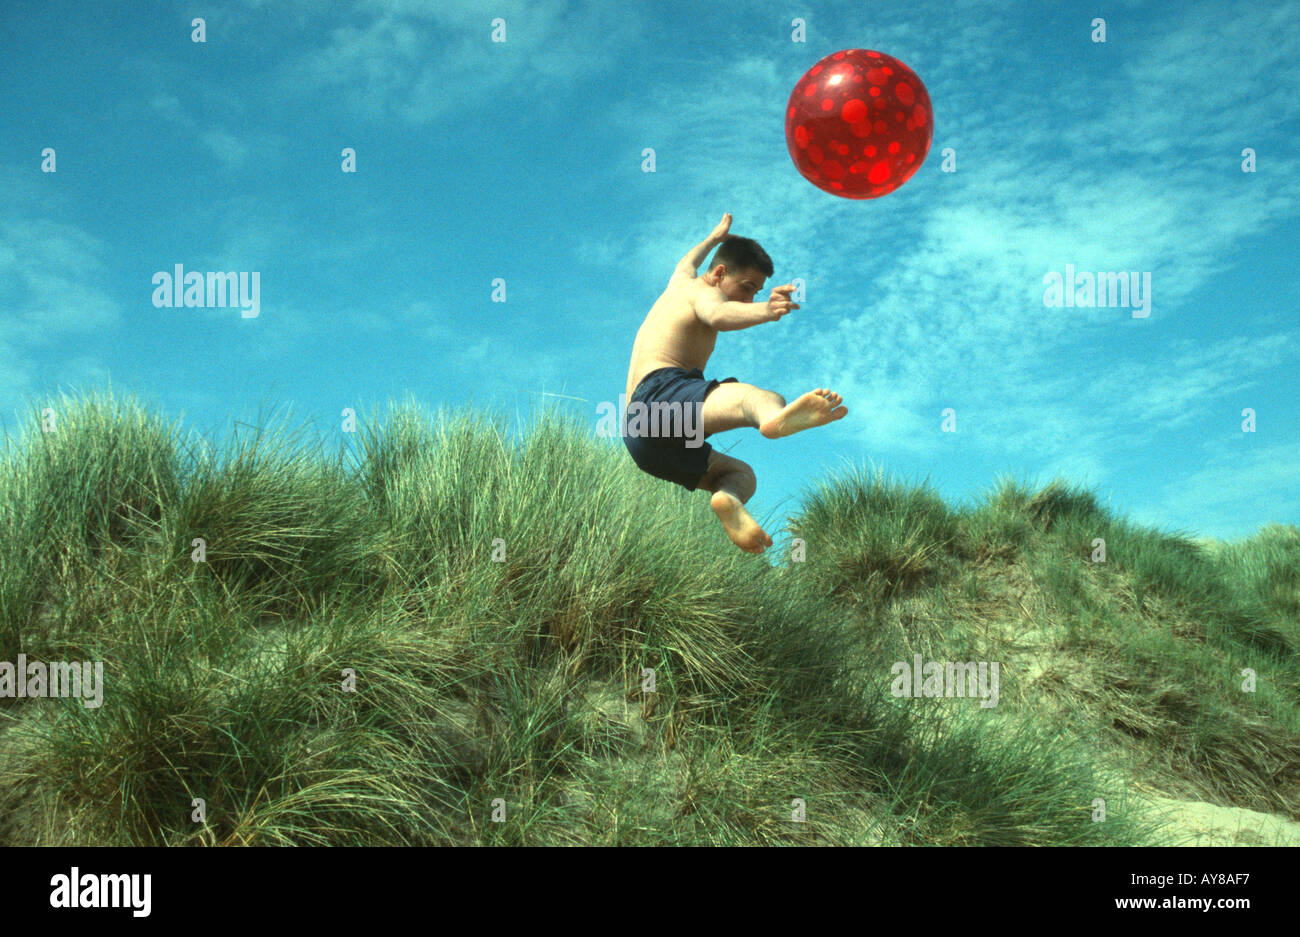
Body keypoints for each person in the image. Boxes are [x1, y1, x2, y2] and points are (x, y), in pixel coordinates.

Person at [621, 213, 847, 554]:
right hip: (662, 396)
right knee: (760, 398)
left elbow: (687, 261)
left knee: (742, 476)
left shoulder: (680, 282)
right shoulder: (704, 292)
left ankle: (727, 500)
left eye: (756, 293)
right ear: (720, 273)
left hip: (642, 439)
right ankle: (770, 419)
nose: (748, 299)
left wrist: (713, 238)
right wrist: (767, 311)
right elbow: (718, 316)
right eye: (747, 288)